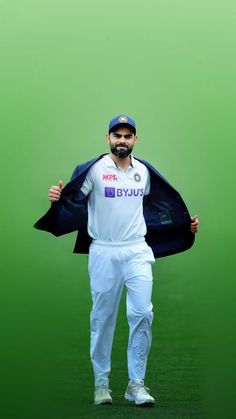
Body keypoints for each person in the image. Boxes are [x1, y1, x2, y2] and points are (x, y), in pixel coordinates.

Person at [34, 114, 199, 406]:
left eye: (127, 135)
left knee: (142, 314)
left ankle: (136, 385)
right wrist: (56, 200)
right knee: (102, 317)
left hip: (137, 251)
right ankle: (102, 385)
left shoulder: (144, 173)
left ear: (135, 139)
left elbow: (156, 209)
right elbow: (73, 204)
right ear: (107, 138)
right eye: (116, 135)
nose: (121, 140)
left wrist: (182, 227)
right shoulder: (95, 170)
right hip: (104, 252)